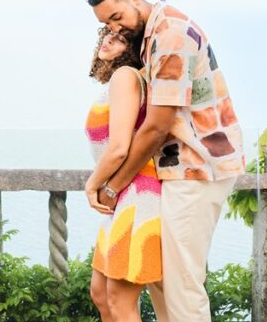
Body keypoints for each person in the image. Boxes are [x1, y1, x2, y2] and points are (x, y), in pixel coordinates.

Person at [85, 0, 246, 322]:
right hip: (178, 169)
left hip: (197, 166)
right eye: (106, 24)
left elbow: (157, 126)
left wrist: (112, 186)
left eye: (117, 17)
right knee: (163, 282)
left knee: (182, 286)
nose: (115, 28)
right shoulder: (151, 36)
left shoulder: (170, 33)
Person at [84, 26, 162, 322]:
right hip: (123, 194)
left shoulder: (126, 76)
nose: (109, 40)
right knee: (101, 295)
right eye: (107, 34)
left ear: (132, 49)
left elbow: (119, 147)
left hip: (136, 195)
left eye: (120, 39)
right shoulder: (122, 80)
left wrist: (92, 184)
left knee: (120, 302)